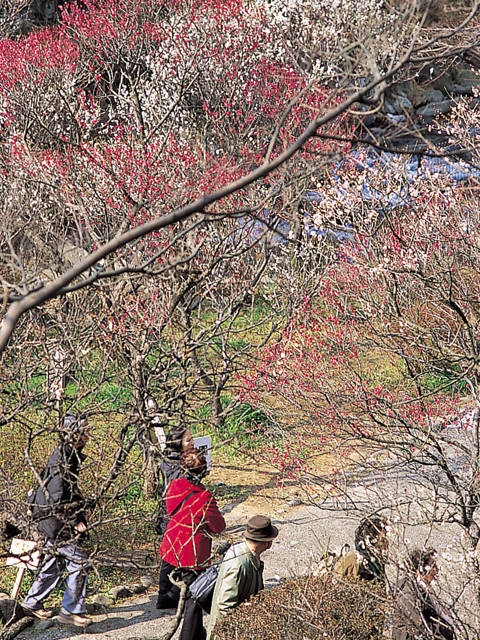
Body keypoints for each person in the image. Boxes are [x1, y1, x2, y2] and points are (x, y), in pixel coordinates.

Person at [22, 413, 92, 628]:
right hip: (55, 519)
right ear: (75, 435)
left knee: (55, 558)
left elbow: (69, 493)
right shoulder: (63, 460)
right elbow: (57, 496)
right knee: (79, 560)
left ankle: (32, 602)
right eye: (85, 431)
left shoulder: (68, 454)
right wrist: (74, 520)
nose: (89, 435)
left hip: (49, 518)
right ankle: (71, 610)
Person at [159, 449, 225, 640]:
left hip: (172, 545)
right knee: (194, 598)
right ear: (204, 471)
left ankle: (197, 633)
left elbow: (170, 509)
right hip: (192, 553)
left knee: (187, 593)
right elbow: (218, 526)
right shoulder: (204, 498)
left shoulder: (174, 486)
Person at [207, 514, 279, 640]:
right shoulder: (239, 564)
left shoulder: (243, 552)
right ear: (268, 543)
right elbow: (226, 605)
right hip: (227, 633)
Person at [156, 424, 196, 609]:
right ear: (178, 443)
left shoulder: (174, 460)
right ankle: (167, 595)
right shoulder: (174, 465)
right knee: (172, 556)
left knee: (172, 555)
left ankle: (171, 595)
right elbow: (179, 490)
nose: (192, 442)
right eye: (188, 440)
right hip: (173, 515)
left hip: (172, 514)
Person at [392, 548, 455, 640]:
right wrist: (446, 631)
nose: (437, 569)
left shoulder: (425, 589)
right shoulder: (408, 594)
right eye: (433, 566)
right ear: (421, 570)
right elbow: (420, 627)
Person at [333, 515, 389, 583]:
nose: (386, 544)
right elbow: (333, 584)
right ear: (370, 541)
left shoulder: (376, 564)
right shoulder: (351, 559)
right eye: (382, 540)